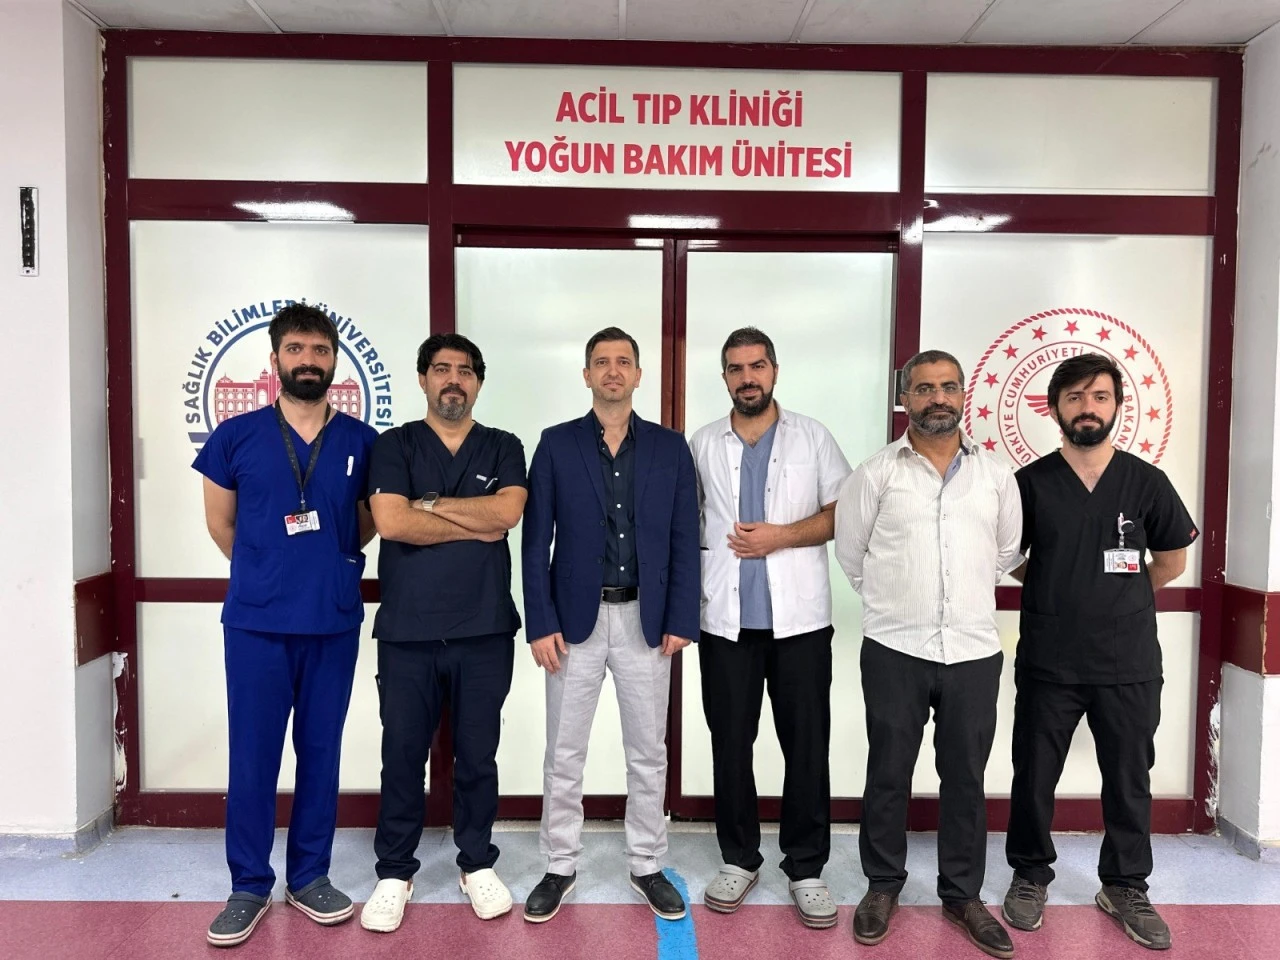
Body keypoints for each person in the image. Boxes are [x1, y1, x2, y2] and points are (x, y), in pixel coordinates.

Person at [194, 303, 378, 948]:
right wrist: (269, 569)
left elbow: (366, 522)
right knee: (253, 754)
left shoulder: (362, 441)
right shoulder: (235, 437)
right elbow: (221, 524)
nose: (308, 360)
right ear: (275, 360)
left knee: (321, 752)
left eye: (320, 350)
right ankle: (248, 884)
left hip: (331, 620)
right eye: (296, 349)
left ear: (335, 361)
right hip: (257, 623)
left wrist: (324, 567)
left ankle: (309, 876)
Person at [1001, 353, 1197, 952]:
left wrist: (1118, 599)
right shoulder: (1030, 484)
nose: (1088, 408)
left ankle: (1125, 885)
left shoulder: (1146, 482)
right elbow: (1009, 556)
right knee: (1034, 775)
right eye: (1076, 397)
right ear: (1055, 408)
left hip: (1127, 660)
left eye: (1100, 397)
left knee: (1129, 778)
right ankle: (1030, 875)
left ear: (1116, 406)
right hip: (1050, 658)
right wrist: (1060, 586)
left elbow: (1171, 560)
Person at [835, 349, 1022, 959]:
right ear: (905, 398)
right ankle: (882, 886)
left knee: (965, 777)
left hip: (973, 650)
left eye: (947, 387)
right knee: (888, 772)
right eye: (923, 388)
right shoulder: (875, 474)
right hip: (895, 648)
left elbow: (1005, 554)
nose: (937, 397)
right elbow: (852, 556)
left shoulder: (996, 477)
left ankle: (962, 895)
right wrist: (900, 604)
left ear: (963, 395)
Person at [520, 326, 699, 923]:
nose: (613, 371)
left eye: (624, 361)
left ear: (638, 375)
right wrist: (540, 621)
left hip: (647, 621)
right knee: (564, 752)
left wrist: (681, 616)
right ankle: (559, 864)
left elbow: (685, 537)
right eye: (602, 362)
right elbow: (535, 541)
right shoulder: (555, 444)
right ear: (587, 375)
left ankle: (647, 863)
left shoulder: (670, 448)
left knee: (648, 752)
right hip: (574, 624)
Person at [358, 334, 527, 933]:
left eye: (464, 371)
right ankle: (394, 872)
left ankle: (476, 862)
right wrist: (468, 518)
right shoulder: (394, 444)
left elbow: (507, 514)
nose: (453, 379)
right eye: (441, 369)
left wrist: (426, 505)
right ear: (423, 378)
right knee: (403, 754)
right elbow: (391, 521)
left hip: (484, 629)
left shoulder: (504, 445)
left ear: (478, 381)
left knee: (477, 755)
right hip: (408, 632)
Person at [689, 327, 851, 927]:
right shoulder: (703, 443)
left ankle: (806, 867)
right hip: (725, 623)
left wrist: (781, 535)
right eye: (736, 369)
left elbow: (842, 512)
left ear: (774, 370)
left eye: (757, 366)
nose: (747, 377)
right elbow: (686, 522)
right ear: (725, 377)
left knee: (806, 745)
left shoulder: (813, 437)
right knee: (730, 744)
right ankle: (739, 858)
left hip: (800, 624)